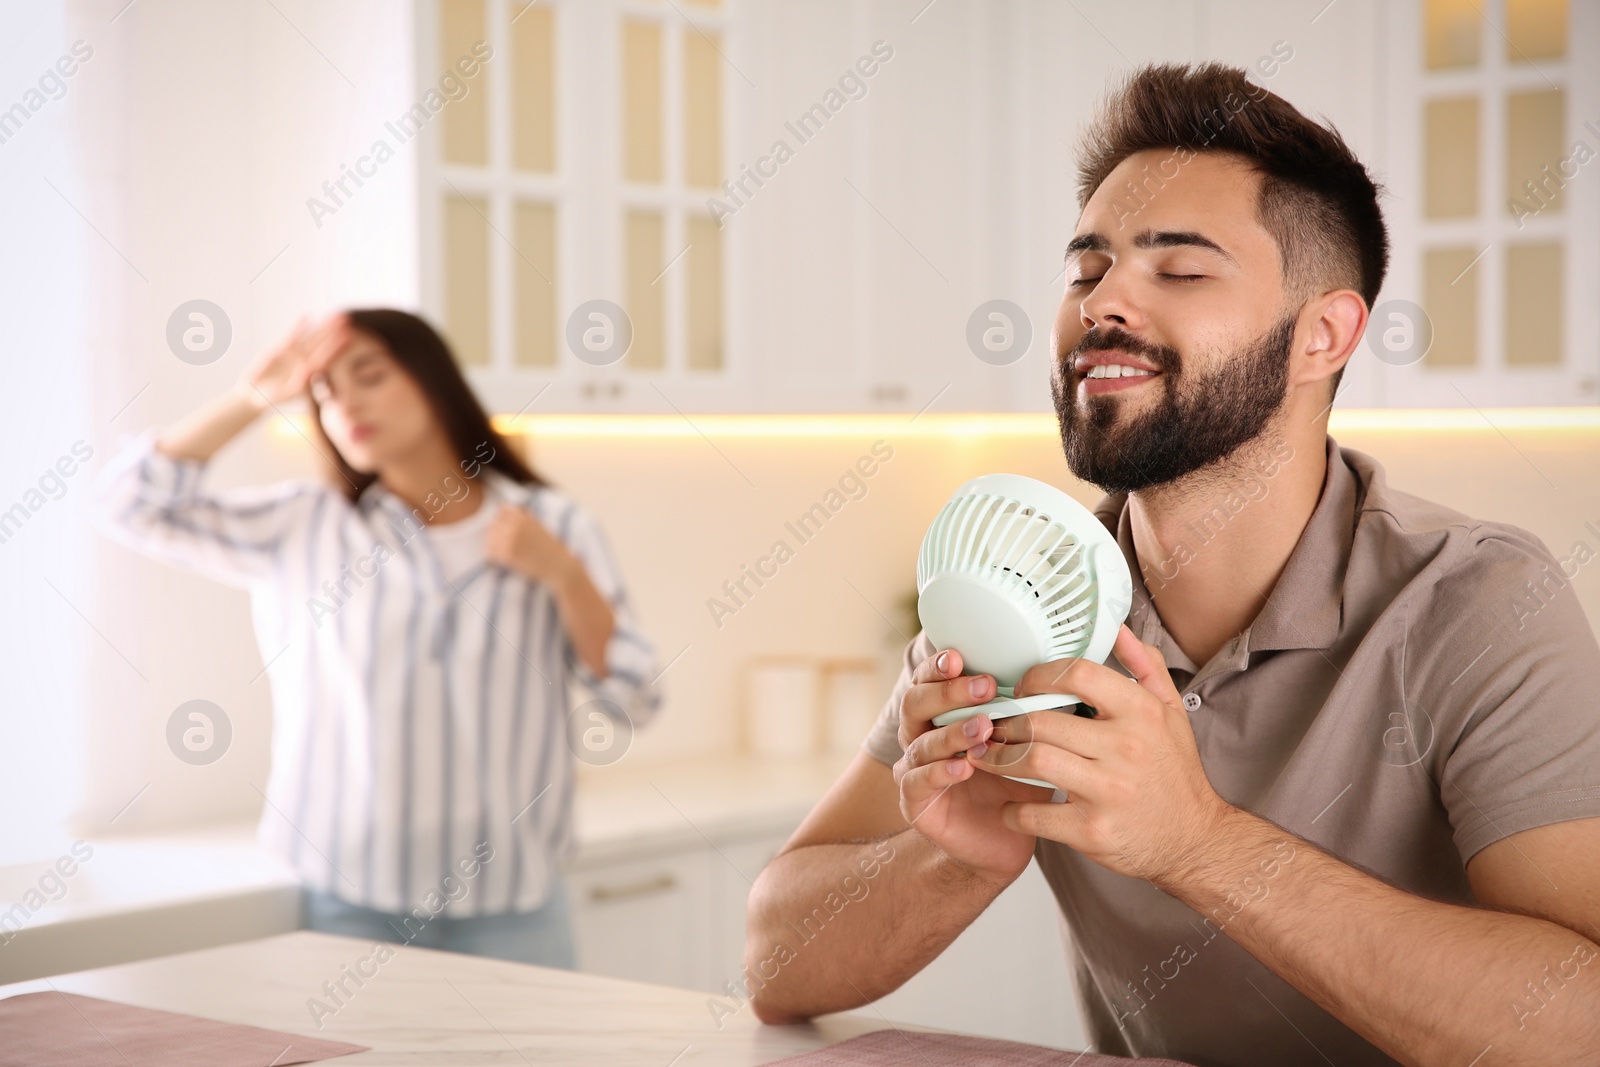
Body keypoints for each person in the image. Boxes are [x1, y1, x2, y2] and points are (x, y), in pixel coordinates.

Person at [743, 63, 1600, 1064]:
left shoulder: (1478, 600)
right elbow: (773, 964)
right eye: (1084, 269)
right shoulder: (1023, 592)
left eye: (1178, 268)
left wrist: (1198, 843)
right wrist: (949, 860)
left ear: (1322, 334)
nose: (1102, 302)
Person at [96, 308, 660, 968]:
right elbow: (126, 503)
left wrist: (564, 575)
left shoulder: (552, 524)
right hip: (350, 899)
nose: (347, 404)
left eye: (370, 376)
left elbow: (636, 696)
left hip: (514, 901)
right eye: (325, 393)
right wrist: (254, 397)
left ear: (434, 382)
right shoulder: (304, 525)